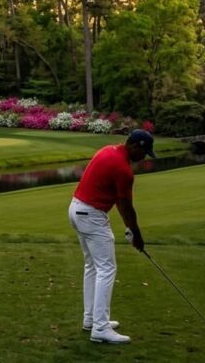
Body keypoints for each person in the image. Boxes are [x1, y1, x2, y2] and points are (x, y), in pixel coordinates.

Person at [68, 129, 156, 344]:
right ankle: (100, 328)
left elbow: (118, 200)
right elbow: (126, 206)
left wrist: (131, 230)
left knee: (93, 266)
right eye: (143, 153)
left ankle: (91, 319)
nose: (143, 158)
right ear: (135, 147)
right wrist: (137, 235)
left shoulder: (108, 150)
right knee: (106, 269)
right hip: (91, 215)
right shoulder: (123, 170)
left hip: (76, 209)